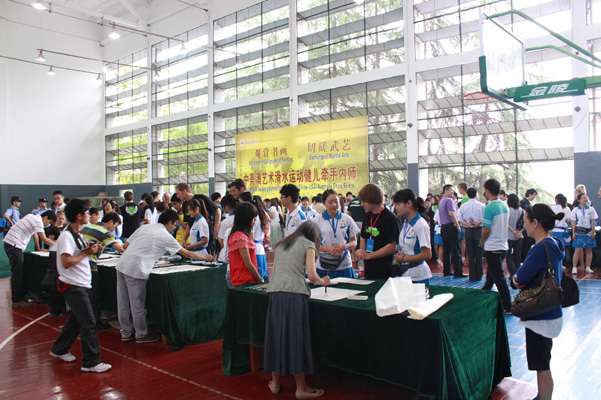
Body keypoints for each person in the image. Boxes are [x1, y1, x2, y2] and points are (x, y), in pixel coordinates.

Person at [116, 209, 211, 343]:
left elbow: (125, 245)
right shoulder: (165, 236)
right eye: (175, 224)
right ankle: (141, 335)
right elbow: (187, 254)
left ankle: (125, 333)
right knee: (137, 304)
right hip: (135, 269)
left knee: (123, 303)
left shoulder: (144, 227)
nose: (174, 228)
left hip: (121, 265)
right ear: (170, 222)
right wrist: (206, 258)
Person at [264, 221, 330, 399]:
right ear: (314, 237)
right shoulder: (308, 245)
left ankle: (275, 383)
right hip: (295, 295)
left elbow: (276, 272)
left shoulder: (282, 244)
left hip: (275, 294)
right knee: (296, 339)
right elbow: (312, 275)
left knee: (276, 337)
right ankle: (301, 388)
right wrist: (324, 281)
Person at [49, 199, 111, 373]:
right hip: (73, 285)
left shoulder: (78, 234)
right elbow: (67, 261)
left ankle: (59, 349)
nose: (89, 216)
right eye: (87, 213)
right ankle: (91, 361)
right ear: (79, 216)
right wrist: (87, 253)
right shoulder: (67, 236)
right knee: (89, 323)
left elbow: (79, 254)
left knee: (76, 320)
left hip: (81, 283)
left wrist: (92, 250)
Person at [512, 204, 565, 400]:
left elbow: (519, 279)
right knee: (543, 362)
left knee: (542, 366)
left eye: (526, 222)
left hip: (540, 316)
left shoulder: (539, 249)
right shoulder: (555, 243)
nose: (524, 226)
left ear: (535, 223)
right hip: (551, 312)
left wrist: (515, 279)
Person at [82, 212, 125, 330]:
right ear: (111, 222)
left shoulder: (88, 226)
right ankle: (94, 322)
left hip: (79, 264)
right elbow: (121, 249)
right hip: (90, 266)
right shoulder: (104, 232)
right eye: (115, 226)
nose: (114, 229)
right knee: (94, 295)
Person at [4, 210, 56, 306]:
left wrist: (39, 248)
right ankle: (16, 300)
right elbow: (44, 239)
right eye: (48, 222)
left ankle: (20, 296)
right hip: (14, 245)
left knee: (20, 271)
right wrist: (58, 245)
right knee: (17, 273)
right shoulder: (38, 221)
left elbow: (34, 234)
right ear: (45, 218)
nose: (47, 225)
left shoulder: (31, 216)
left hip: (11, 244)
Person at [354, 183, 400, 280]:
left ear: (372, 200)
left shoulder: (390, 218)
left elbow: (392, 247)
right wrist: (362, 252)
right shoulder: (367, 216)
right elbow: (363, 238)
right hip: (368, 268)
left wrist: (368, 256)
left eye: (364, 201)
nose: (362, 205)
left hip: (385, 270)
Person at [479, 179, 511, 314]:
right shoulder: (504, 205)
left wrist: (481, 242)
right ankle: (483, 294)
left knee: (498, 277)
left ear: (487, 191)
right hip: (503, 246)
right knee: (491, 275)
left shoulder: (489, 207)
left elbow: (486, 230)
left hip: (493, 247)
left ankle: (507, 305)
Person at [314, 189, 359, 278]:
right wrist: (328, 249)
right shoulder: (316, 221)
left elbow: (354, 241)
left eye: (336, 201)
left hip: (344, 264)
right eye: (330, 202)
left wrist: (344, 247)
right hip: (324, 264)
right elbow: (312, 244)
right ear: (324, 203)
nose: (334, 205)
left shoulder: (347, 219)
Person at [392, 189, 432, 284]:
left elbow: (427, 254)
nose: (396, 208)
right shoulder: (405, 223)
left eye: (398, 204)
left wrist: (403, 259)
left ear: (409, 203)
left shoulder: (421, 225)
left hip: (419, 276)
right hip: (406, 274)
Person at [228, 202, 263, 286]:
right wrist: (260, 279)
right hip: (243, 280)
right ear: (246, 219)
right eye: (253, 218)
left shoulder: (242, 235)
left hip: (246, 279)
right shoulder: (240, 237)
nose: (255, 221)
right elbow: (248, 264)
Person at [458, 188, 485, 281]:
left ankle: (472, 275)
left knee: (470, 253)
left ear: (468, 195)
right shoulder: (482, 205)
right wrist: (477, 223)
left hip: (468, 230)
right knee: (479, 254)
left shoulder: (463, 206)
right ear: (476, 194)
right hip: (478, 230)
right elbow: (485, 218)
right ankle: (479, 275)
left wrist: (469, 225)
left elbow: (459, 219)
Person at [438, 184, 465, 277]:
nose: (452, 192)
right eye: (451, 190)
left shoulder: (441, 201)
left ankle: (447, 271)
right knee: (456, 250)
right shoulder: (449, 200)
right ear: (446, 190)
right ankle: (458, 272)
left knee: (446, 250)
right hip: (450, 227)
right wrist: (458, 226)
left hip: (443, 228)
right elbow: (451, 214)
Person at [571, 193, 597, 275]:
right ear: (579, 200)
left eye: (586, 197)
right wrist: (573, 233)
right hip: (579, 231)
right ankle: (574, 267)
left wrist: (593, 232)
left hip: (588, 231)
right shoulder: (575, 210)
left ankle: (588, 267)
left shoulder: (591, 209)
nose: (585, 199)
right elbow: (574, 222)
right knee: (577, 250)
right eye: (583, 198)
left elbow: (593, 221)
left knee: (589, 249)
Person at [252, 195, 270, 280]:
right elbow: (268, 219)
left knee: (257, 277)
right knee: (262, 275)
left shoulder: (254, 219)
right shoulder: (262, 216)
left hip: (254, 248)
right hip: (260, 248)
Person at [506, 194, 525, 280]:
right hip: (519, 236)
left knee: (508, 254)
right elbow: (525, 223)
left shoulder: (507, 210)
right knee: (517, 254)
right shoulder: (521, 210)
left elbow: (506, 223)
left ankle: (512, 271)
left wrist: (513, 231)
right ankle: (517, 272)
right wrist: (519, 232)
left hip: (509, 235)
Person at [521, 189, 538, 261]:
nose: (534, 197)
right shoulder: (523, 203)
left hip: (528, 225)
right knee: (525, 244)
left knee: (527, 244)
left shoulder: (529, 203)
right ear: (530, 194)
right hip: (524, 226)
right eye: (534, 195)